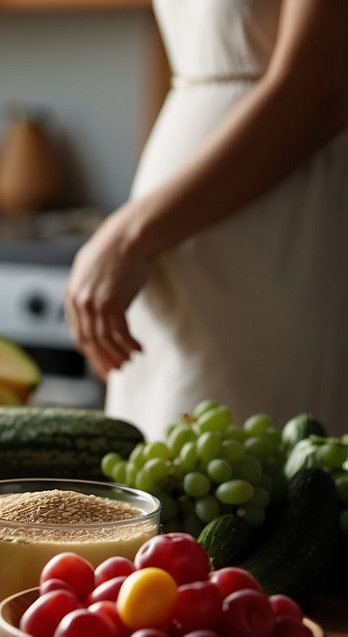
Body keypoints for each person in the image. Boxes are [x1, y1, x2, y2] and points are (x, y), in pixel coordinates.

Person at [64, 0, 348, 441]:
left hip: (280, 238)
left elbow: (318, 89)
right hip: (177, 236)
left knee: (268, 477)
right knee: (163, 476)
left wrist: (129, 235)